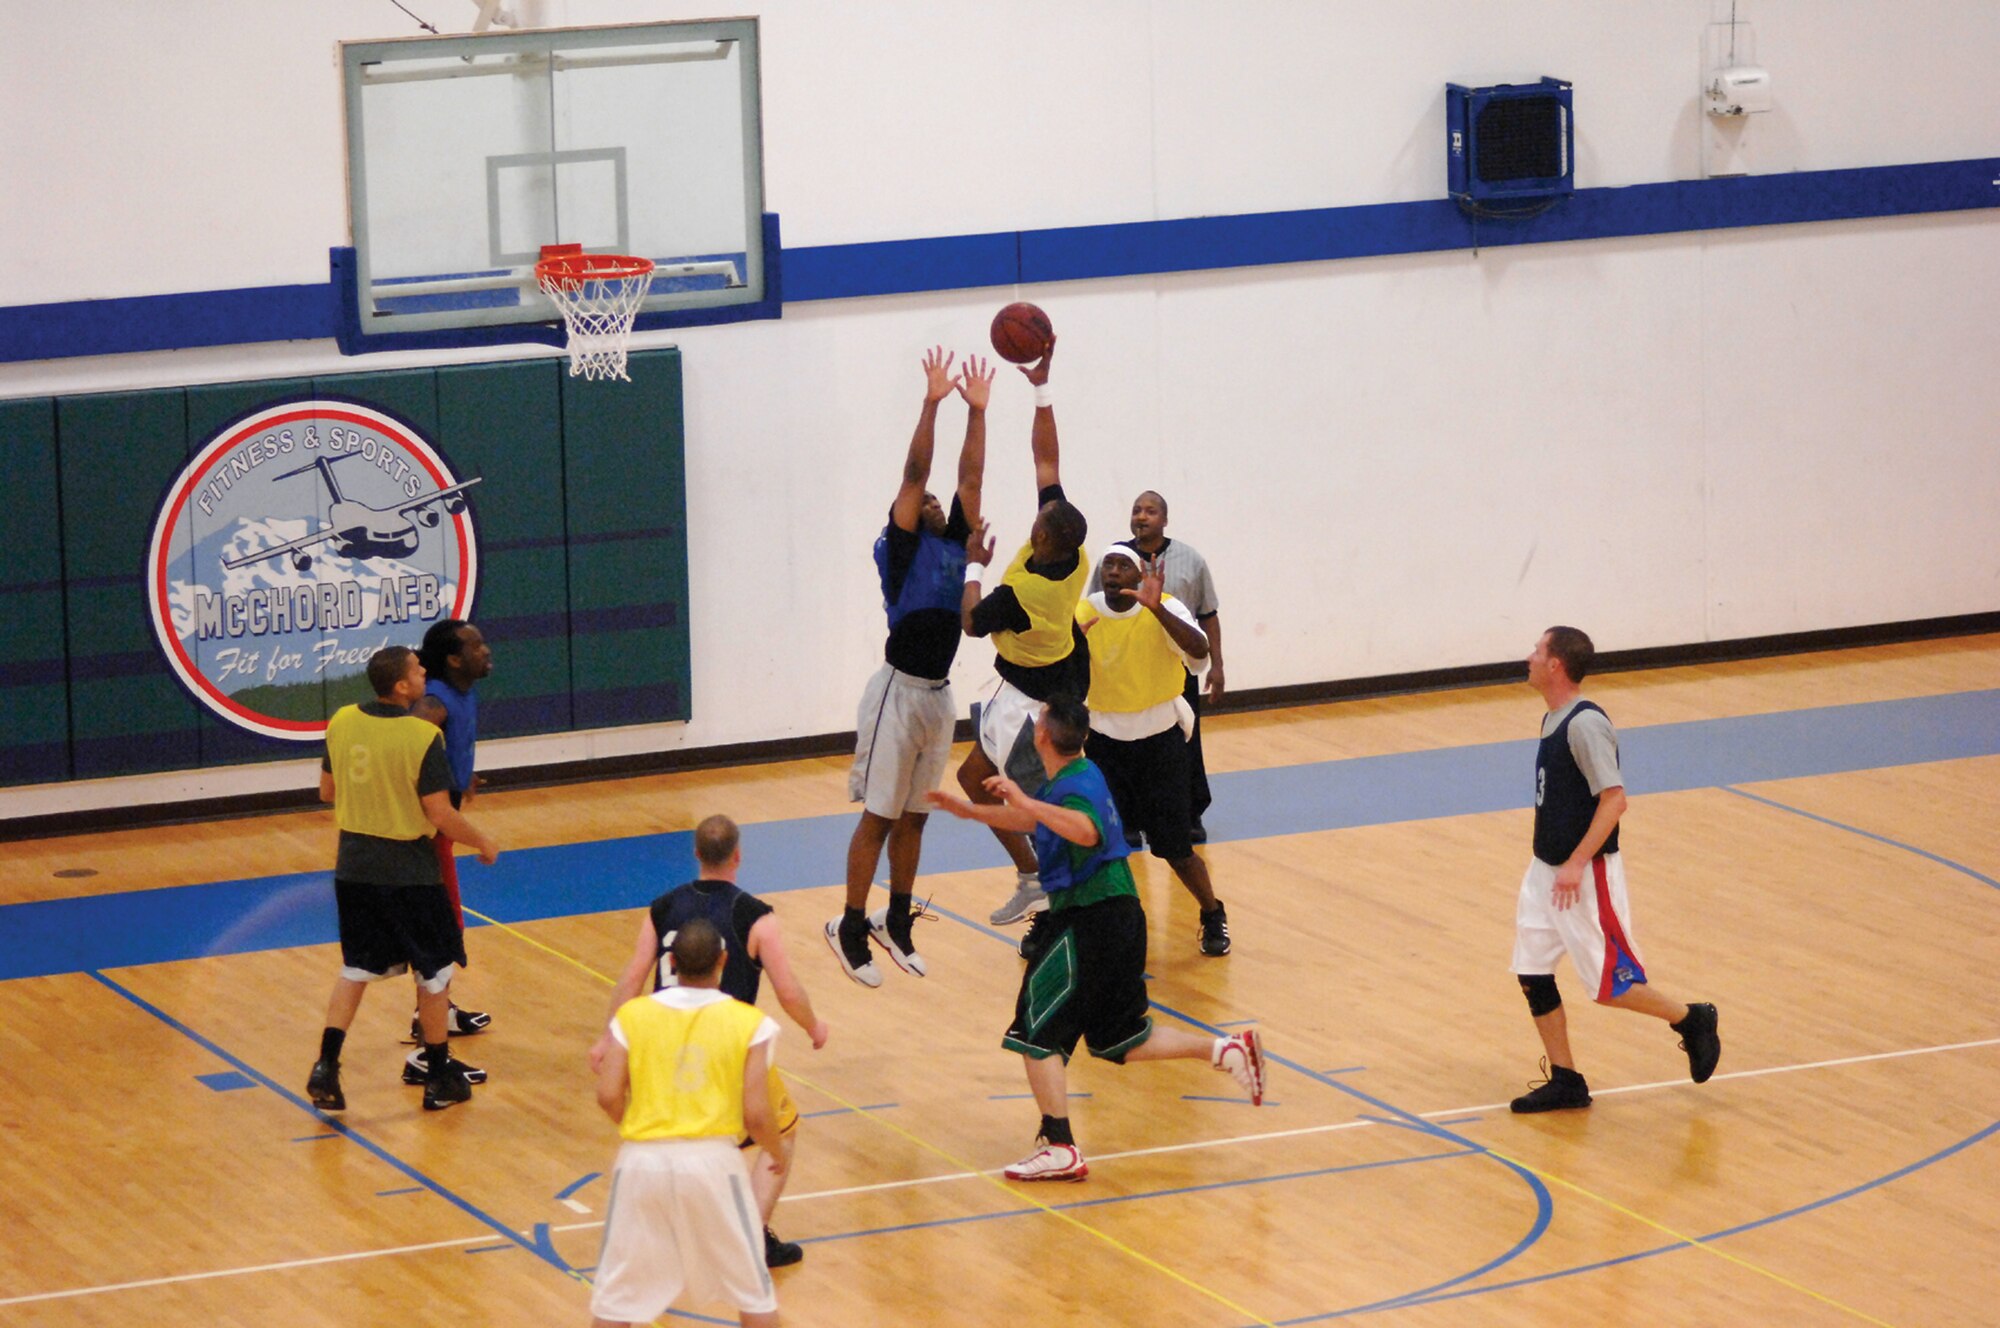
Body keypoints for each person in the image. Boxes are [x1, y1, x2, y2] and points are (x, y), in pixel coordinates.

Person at [927, 696, 1265, 1181]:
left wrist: (1024, 800)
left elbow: (1084, 832)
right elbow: (1035, 820)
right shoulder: (1070, 778)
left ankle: (1059, 1145)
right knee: (1119, 1038)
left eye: (1039, 717)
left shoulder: (1078, 784)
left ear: (1042, 733)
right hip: (1116, 917)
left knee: (1035, 1031)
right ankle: (1225, 1051)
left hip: (1092, 919)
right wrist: (971, 811)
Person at [828, 347, 994, 988]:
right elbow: (918, 466)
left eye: (934, 500)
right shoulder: (899, 547)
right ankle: (848, 924)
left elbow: (970, 480)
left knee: (918, 814)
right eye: (921, 498)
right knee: (880, 814)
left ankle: (896, 918)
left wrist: (977, 414)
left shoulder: (955, 542)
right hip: (895, 693)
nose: (931, 500)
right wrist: (931, 402)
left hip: (938, 696)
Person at [596, 815, 828, 1268]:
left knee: (681, 1135)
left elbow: (633, 975)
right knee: (781, 1131)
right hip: (726, 1047)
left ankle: (668, 1231)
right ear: (738, 856)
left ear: (696, 854)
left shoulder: (662, 907)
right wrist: (813, 1025)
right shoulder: (755, 915)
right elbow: (787, 990)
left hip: (662, 1046)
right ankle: (751, 1237)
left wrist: (608, 1036)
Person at [1508, 626, 1721, 1113]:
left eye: (1537, 651)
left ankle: (1691, 1018)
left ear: (1557, 664)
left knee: (1610, 985)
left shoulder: (1585, 725)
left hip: (1582, 877)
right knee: (1531, 971)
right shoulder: (1553, 717)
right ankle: (1566, 1079)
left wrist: (1577, 863)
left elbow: (1615, 800)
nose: (1529, 657)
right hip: (1547, 872)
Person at [307, 645, 499, 1114]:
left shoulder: (342, 720)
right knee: (435, 973)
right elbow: (439, 812)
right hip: (409, 872)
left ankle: (326, 1066)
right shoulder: (420, 737)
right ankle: (438, 1074)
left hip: (353, 868)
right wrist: (484, 842)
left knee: (356, 970)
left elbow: (327, 791)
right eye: (417, 670)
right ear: (400, 686)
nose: (424, 673)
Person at [588, 918, 785, 1328]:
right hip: (713, 1163)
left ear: (671, 961)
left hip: (640, 1163)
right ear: (724, 961)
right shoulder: (750, 1022)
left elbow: (607, 1094)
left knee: (616, 1298)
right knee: (754, 1293)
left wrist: (642, 1127)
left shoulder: (633, 1014)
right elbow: (756, 1113)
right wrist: (776, 1150)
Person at [957, 337, 1092, 928]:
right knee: (975, 779)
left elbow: (970, 622)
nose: (1036, 512)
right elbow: (1047, 464)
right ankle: (1035, 878)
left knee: (1037, 804)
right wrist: (1041, 387)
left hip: (1029, 703)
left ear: (1044, 540)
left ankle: (1067, 901)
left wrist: (974, 562)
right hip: (1053, 675)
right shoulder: (1074, 554)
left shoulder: (1022, 595)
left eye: (1038, 521)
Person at [1075, 544, 1231, 957]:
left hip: (1160, 745)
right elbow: (1060, 672)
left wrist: (1156, 610)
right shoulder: (1084, 613)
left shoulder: (1165, 607)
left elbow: (1198, 653)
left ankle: (1213, 913)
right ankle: (1089, 929)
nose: (1113, 571)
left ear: (1139, 575)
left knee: (1177, 850)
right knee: (1100, 849)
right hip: (1104, 747)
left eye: (1122, 565)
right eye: (1108, 564)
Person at [1091, 490, 1223, 842]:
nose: (1142, 516)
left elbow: (1208, 615)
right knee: (1119, 752)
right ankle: (1129, 819)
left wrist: (1218, 666)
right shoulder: (1113, 558)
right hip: (1124, 668)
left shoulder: (1190, 560)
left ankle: (1188, 815)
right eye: (1136, 510)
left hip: (1174, 666)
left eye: (1150, 511)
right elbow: (1092, 612)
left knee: (1184, 745)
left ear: (1164, 519)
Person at [409, 618, 494, 1056]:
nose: (486, 650)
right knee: (443, 926)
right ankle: (430, 1026)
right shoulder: (434, 702)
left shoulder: (463, 691)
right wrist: (441, 788)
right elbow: (408, 742)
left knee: (440, 925)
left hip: (440, 821)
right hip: (427, 830)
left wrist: (462, 776)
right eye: (476, 645)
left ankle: (434, 1010)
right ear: (454, 659)